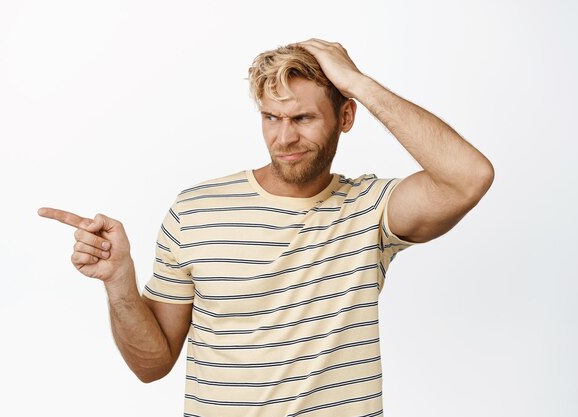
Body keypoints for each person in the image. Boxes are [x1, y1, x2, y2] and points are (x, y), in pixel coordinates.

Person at [39, 39, 494, 416]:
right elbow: (152, 365)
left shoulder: (370, 208)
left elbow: (469, 177)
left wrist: (356, 81)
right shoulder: (195, 209)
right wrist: (119, 282)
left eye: (303, 118)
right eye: (271, 117)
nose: (284, 138)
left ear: (346, 116)